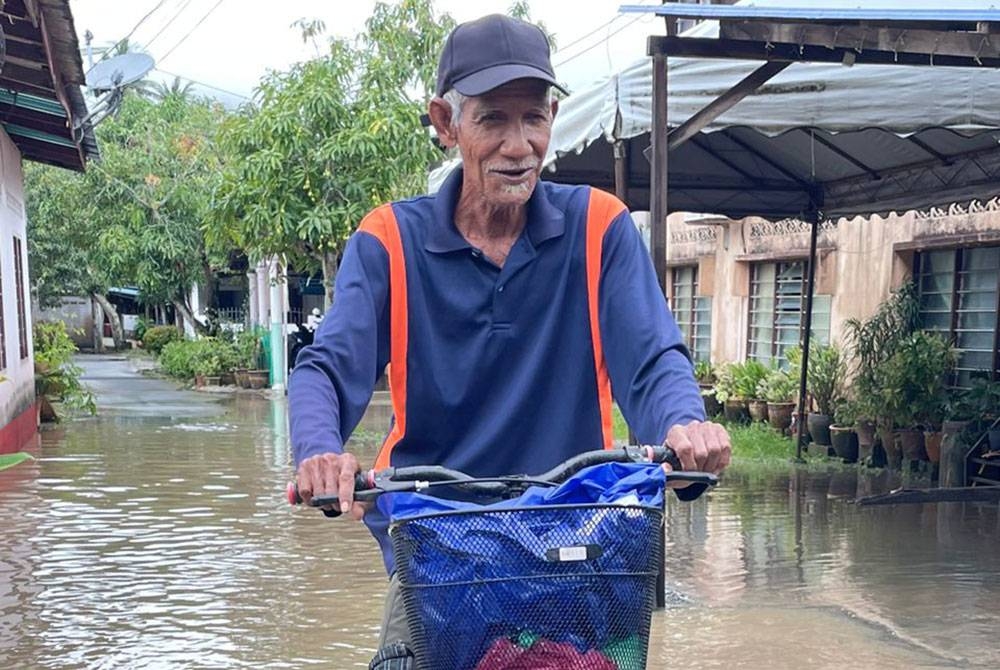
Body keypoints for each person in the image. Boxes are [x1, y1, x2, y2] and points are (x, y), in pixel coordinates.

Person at [289, 12, 731, 660]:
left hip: (575, 543)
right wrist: (321, 453)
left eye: (534, 118)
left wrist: (686, 430)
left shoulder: (599, 228)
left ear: (552, 116)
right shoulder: (389, 240)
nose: (519, 145)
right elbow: (327, 367)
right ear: (446, 123)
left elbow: (653, 359)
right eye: (492, 118)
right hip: (438, 557)